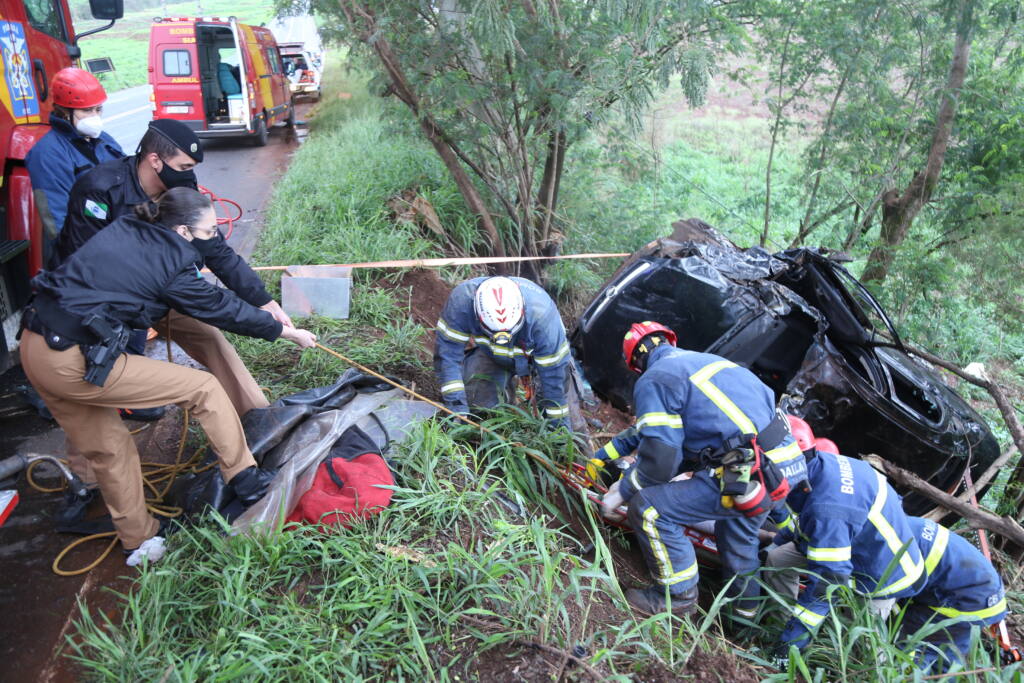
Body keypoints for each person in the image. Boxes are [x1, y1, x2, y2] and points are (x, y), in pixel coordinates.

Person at [20, 188, 317, 565]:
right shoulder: (171, 265)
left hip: (37, 345)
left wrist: (264, 303)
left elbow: (214, 265)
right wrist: (285, 332)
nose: (214, 237)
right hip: (74, 359)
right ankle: (245, 479)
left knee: (110, 447)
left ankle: (139, 540)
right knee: (203, 388)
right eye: (209, 231)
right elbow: (220, 307)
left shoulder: (134, 226)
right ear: (182, 231)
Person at [51, 119, 292, 522]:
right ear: (153, 159)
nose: (189, 174)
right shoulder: (99, 188)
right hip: (106, 307)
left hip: (168, 291)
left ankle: (262, 424)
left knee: (212, 340)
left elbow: (216, 250)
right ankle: (88, 482)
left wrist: (263, 301)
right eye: (182, 165)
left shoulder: (181, 190)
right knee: (94, 385)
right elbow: (85, 261)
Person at [597, 321, 807, 617]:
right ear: (670, 341)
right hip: (784, 466)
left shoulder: (655, 379)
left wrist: (626, 489)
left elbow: (661, 457)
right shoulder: (715, 364)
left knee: (650, 509)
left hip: (748, 472)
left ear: (636, 365)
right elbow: (690, 451)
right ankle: (744, 620)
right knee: (736, 535)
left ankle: (677, 598)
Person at [767, 445, 925, 658]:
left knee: (862, 641)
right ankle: (778, 625)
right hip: (851, 546)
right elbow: (804, 517)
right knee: (779, 559)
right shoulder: (820, 463)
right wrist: (780, 538)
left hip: (882, 574)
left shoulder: (828, 510)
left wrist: (790, 645)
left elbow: (827, 582)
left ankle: (795, 650)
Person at [434, 276, 583, 431]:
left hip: (545, 361)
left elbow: (554, 383)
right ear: (478, 317)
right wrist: (456, 406)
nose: (503, 339)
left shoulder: (543, 320)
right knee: (477, 405)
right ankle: (500, 422)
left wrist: (558, 434)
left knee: (568, 423)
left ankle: (576, 449)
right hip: (491, 354)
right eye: (495, 333)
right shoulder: (462, 302)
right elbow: (448, 356)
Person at [26, 68, 124, 250]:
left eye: (98, 109)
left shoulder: (105, 141)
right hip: (87, 250)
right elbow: (57, 222)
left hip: (119, 236)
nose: (95, 117)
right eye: (87, 111)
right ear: (64, 112)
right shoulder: (47, 154)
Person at [903, 516, 1006, 668]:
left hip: (966, 601)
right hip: (984, 595)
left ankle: (912, 672)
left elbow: (889, 589)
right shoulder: (905, 523)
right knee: (948, 651)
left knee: (913, 643)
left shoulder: (893, 542)